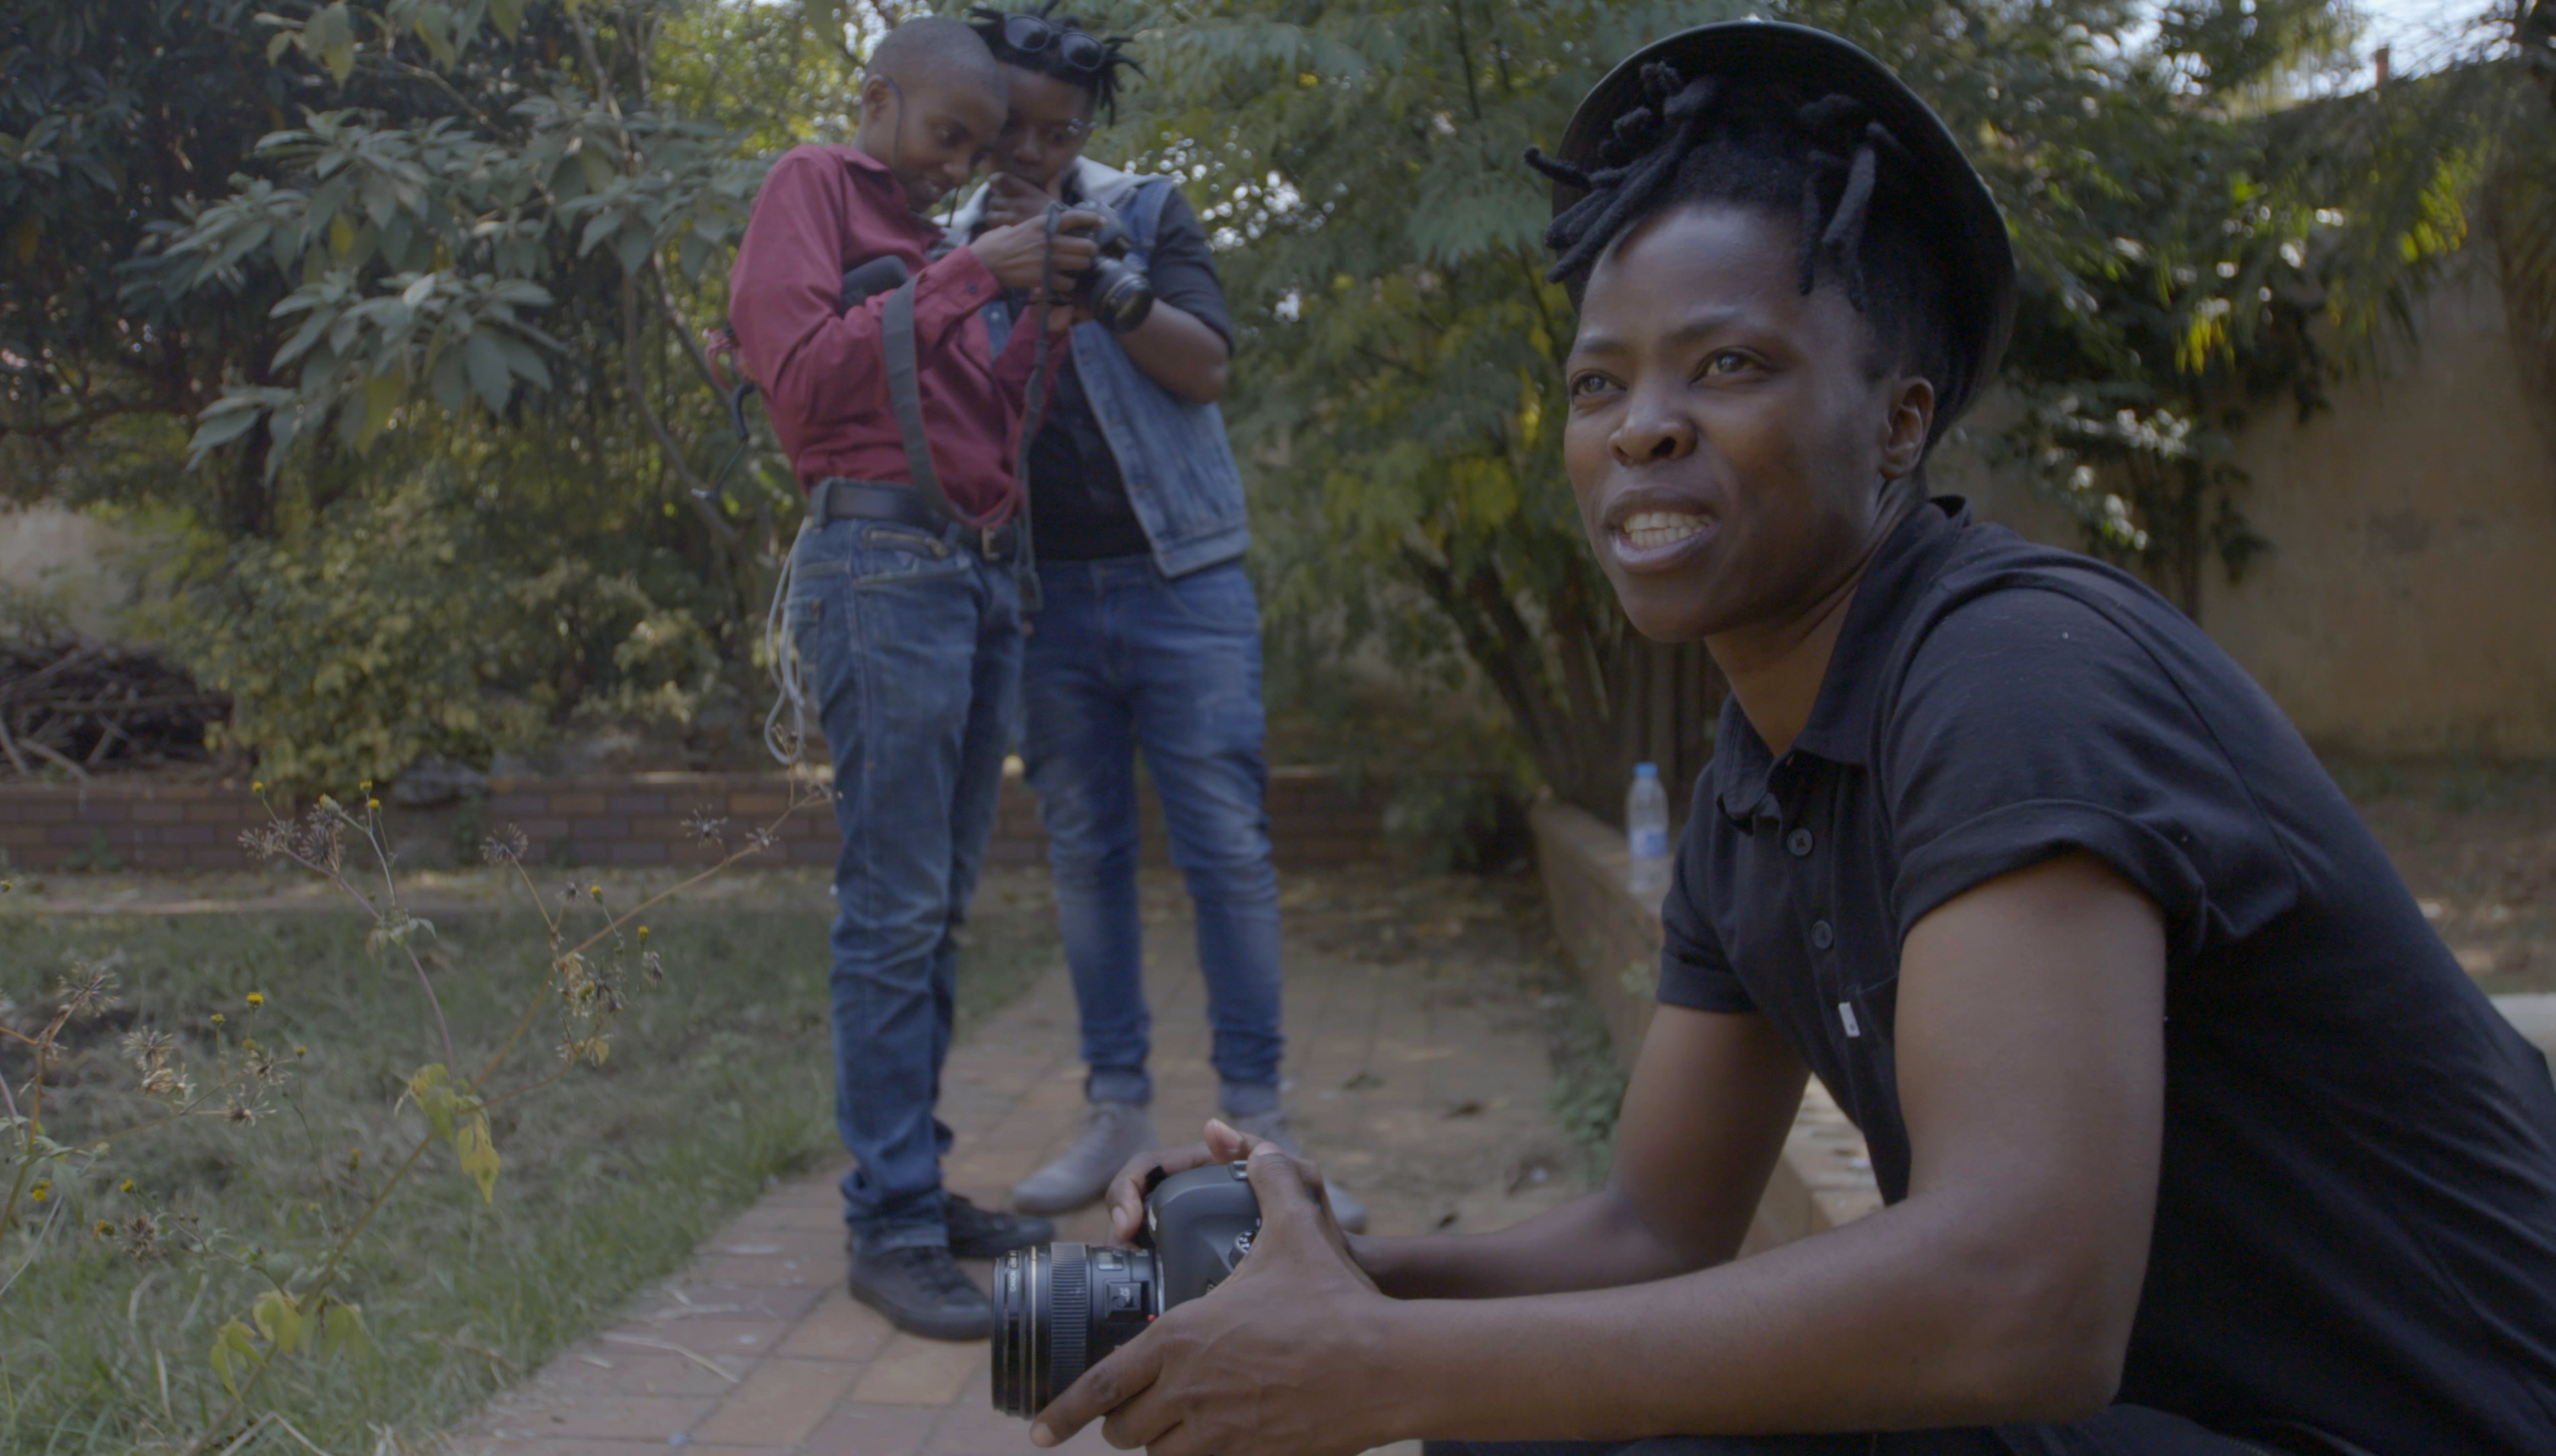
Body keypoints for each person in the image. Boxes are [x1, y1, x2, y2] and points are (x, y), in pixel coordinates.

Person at [1027, 21, 2556, 1455]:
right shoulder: (1758, 777)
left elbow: (2021, 1300)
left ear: (1899, 423)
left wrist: (1386, 1368)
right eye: (1598, 382)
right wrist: (1327, 1274)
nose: (1643, 427)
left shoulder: (2018, 678)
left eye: (1730, 364)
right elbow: (1653, 1230)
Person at [940, 3, 1366, 1233]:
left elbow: (1208, 365)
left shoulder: (1148, 209)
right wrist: (994, 268)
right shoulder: (941, 238)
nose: (1029, 151)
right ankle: (1118, 1113)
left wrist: (1097, 275)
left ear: (1085, 129)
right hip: (1041, 598)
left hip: (1186, 583)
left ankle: (1260, 1123)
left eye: (1057, 130)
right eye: (1011, 127)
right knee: (1087, 856)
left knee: (1227, 849)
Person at [727, 16, 1106, 1341]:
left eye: (980, 150)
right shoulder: (810, 188)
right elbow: (806, 380)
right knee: (890, 911)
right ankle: (886, 1229)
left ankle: (915, 1184)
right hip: (878, 571)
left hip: (974, 576)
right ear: (877, 100)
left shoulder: (946, 247)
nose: (957, 169)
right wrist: (965, 275)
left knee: (934, 908)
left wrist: (1039, 308)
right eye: (948, 137)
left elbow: (985, 413)